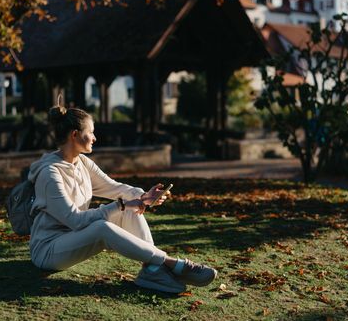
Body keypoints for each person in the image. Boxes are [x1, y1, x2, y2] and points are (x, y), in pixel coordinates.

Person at [27, 104, 217, 293]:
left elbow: (114, 188)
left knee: (130, 209)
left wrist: (142, 197)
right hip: (48, 250)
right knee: (104, 225)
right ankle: (170, 262)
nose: (95, 138)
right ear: (75, 135)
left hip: (74, 238)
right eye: (91, 132)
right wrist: (122, 205)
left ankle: (151, 270)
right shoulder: (49, 174)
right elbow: (75, 221)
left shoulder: (82, 162)